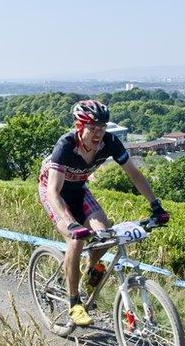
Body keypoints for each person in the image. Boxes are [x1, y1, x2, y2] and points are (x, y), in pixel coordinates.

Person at [38, 99, 169, 326]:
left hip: (79, 190)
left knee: (106, 235)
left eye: (102, 128)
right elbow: (53, 191)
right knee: (75, 240)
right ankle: (74, 303)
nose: (98, 133)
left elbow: (134, 174)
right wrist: (71, 224)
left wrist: (155, 205)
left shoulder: (110, 142)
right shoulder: (66, 145)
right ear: (80, 126)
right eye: (92, 128)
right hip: (54, 192)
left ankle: (88, 272)